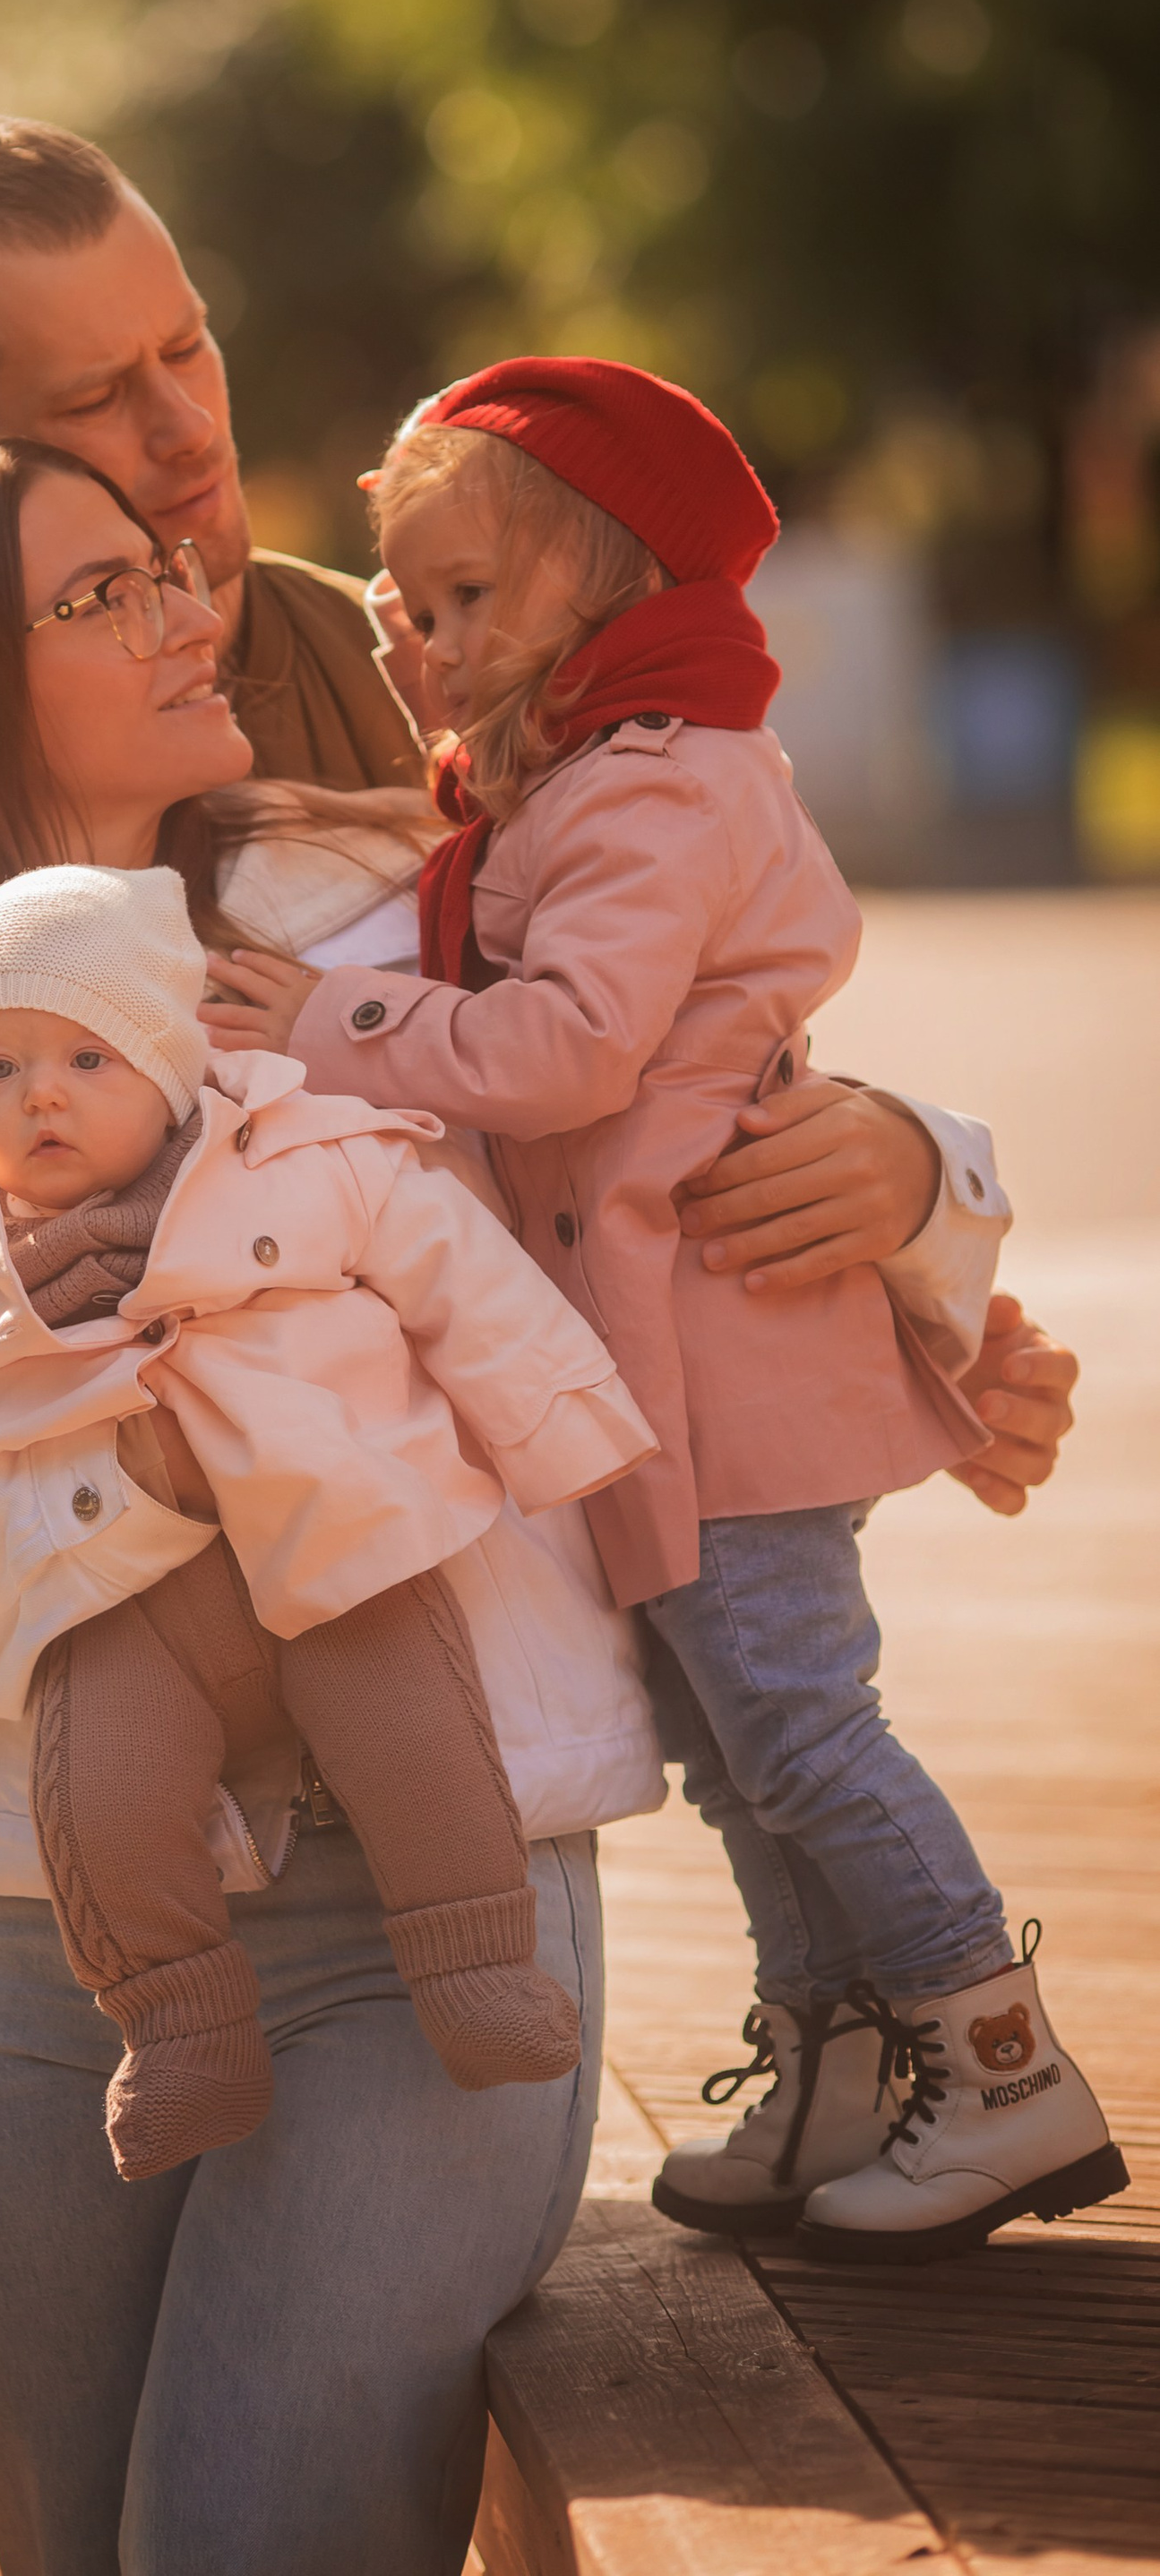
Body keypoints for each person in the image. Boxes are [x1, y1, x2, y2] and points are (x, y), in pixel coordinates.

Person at [0, 116, 1079, 2572]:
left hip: (436, 1825)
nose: (186, 454)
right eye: (102, 413)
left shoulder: (353, 728)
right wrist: (138, 1463)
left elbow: (636, 1050)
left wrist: (928, 1207)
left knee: (261, 2505)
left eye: (192, 347)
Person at [202, 354, 1125, 2266]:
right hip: (659, 1362)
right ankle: (836, 2065)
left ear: (614, 593)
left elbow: (566, 1047)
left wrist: (327, 1025)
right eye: (410, 603)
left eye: (467, 600)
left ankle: (994, 2052)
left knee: (796, 1723)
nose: (427, 641)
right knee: (725, 1744)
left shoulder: (662, 787)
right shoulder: (571, 781)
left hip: (729, 1338)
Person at [0, 857, 657, 2172]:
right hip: (118, 1592)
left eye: (87, 1059)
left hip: (334, 1539)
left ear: (171, 1061)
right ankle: (182, 2028)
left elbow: (462, 1276)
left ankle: (479, 1964)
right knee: (102, 1795)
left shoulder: (305, 1153)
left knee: (419, 1733)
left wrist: (564, 1430)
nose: (41, 1100)